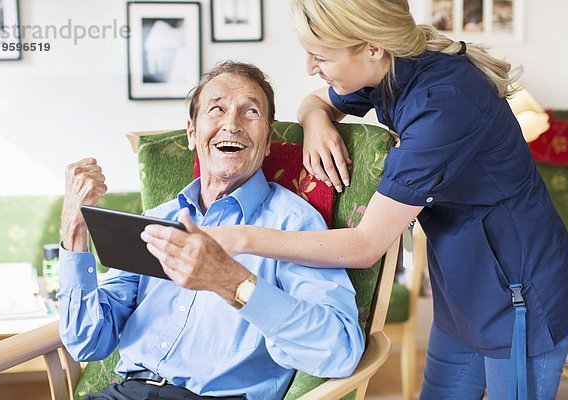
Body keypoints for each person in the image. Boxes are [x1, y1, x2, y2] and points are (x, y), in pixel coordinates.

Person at [201, 1, 568, 399]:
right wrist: (314, 120)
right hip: (461, 288)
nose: (310, 67)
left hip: (518, 291)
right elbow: (316, 99)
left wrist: (241, 238)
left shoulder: (442, 103)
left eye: (320, 57)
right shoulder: (391, 68)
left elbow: (365, 245)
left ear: (371, 47)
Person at [58, 61, 364, 400]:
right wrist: (74, 228)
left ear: (267, 142)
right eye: (216, 109)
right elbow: (86, 340)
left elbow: (341, 349)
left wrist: (231, 283)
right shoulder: (157, 220)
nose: (231, 124)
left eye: (250, 112)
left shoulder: (294, 224)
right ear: (192, 132)